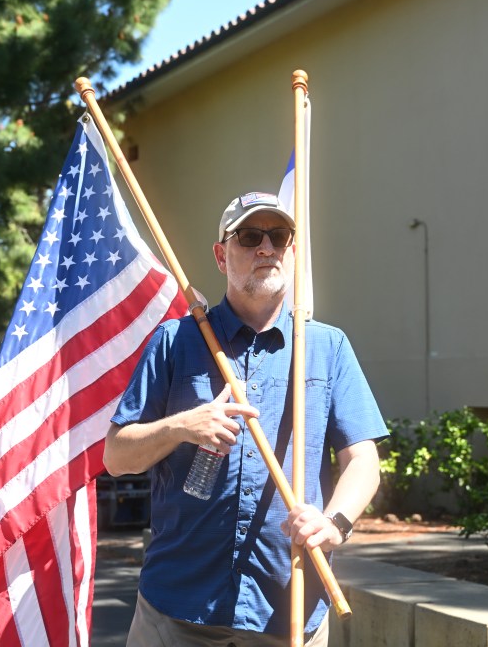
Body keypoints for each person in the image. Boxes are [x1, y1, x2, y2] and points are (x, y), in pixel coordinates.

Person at [104, 191, 388, 646]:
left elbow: (363, 460)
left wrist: (335, 522)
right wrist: (181, 426)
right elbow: (117, 457)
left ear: (292, 251)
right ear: (221, 255)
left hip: (289, 608)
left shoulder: (327, 347)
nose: (266, 248)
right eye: (250, 236)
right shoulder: (174, 342)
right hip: (176, 609)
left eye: (279, 236)